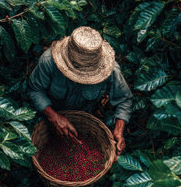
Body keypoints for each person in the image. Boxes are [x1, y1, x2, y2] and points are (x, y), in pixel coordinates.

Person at [28, 26, 133, 157]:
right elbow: (35, 89)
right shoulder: (49, 61)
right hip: (46, 117)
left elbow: (124, 99)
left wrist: (118, 130)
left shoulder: (111, 71)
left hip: (84, 120)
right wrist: (53, 116)